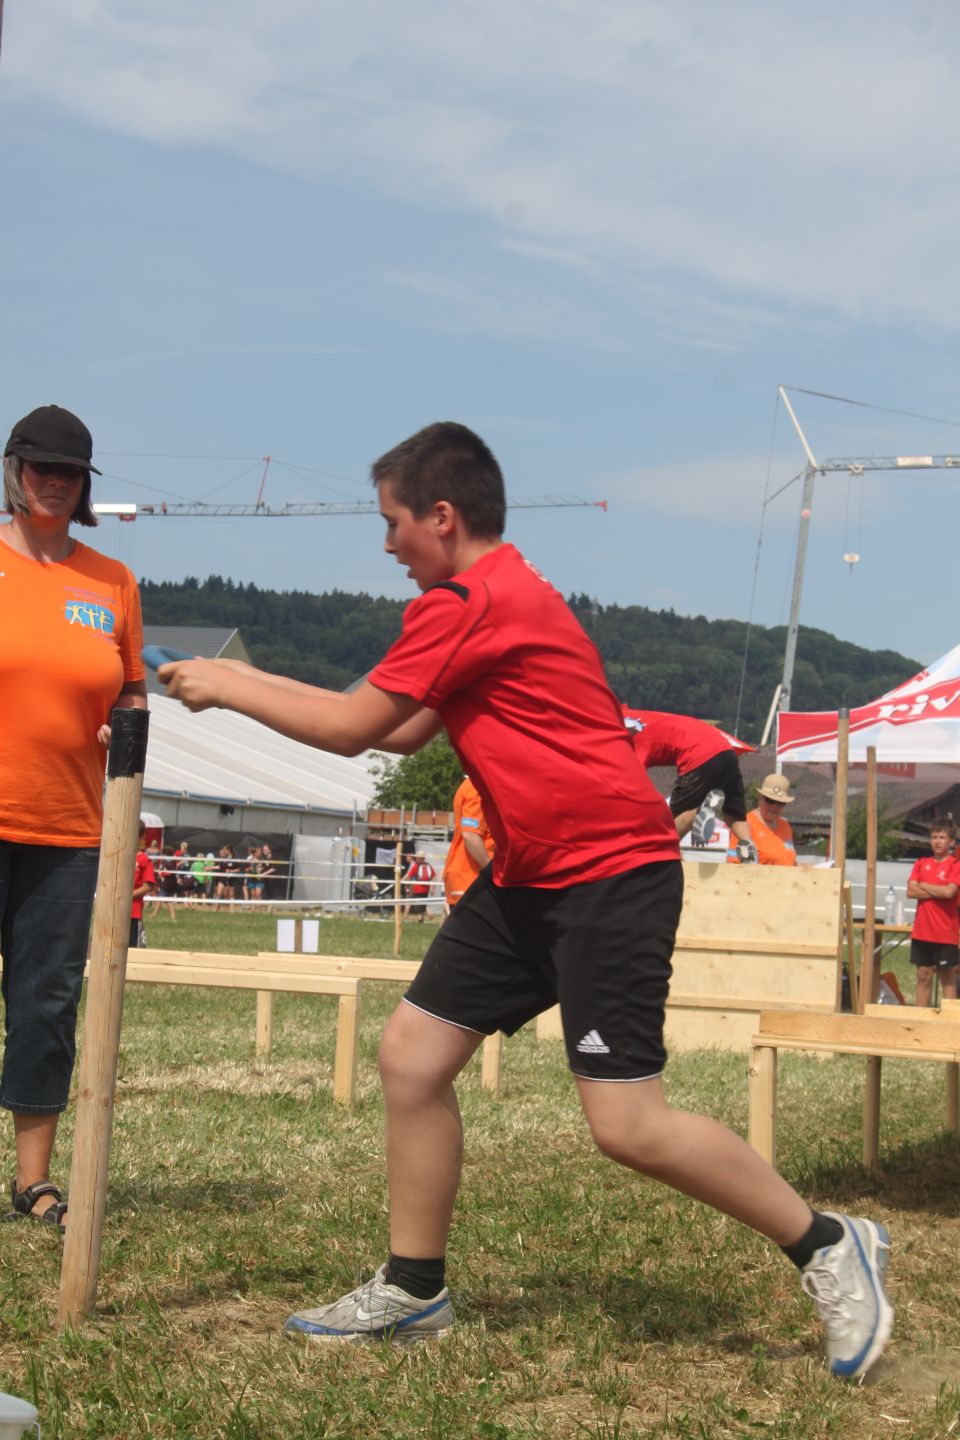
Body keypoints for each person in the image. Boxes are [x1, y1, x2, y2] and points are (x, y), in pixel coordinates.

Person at [159, 421, 892, 1379]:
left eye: (392, 523)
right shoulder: (495, 597)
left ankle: (830, 1243)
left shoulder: (471, 600)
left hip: (610, 878)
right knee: (412, 1057)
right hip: (528, 879)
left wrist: (228, 682)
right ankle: (415, 1287)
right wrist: (243, 677)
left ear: (441, 516)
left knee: (628, 1126)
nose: (387, 546)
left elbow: (349, 728)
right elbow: (403, 730)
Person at [0, 404, 147, 1231]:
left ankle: (34, 1182)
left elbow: (132, 690)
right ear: (13, 470)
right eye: (40, 467)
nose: (54, 481)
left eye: (70, 472)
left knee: (47, 1005)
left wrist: (123, 727)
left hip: (69, 831)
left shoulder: (112, 581)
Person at [623, 709, 757, 861]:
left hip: (699, 755)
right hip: (727, 752)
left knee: (676, 816)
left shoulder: (638, 744)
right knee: (734, 813)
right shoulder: (658, 727)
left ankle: (669, 852)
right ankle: (748, 847)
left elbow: (635, 783)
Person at [906, 820, 960, 1007]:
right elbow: (910, 891)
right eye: (934, 837)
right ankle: (921, 1018)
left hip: (945, 932)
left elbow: (949, 892)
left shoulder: (955, 865)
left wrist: (923, 885)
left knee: (947, 975)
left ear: (951, 842)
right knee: (923, 974)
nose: (937, 841)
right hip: (922, 931)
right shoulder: (921, 863)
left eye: (942, 837)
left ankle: (948, 1018)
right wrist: (938, 890)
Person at [443, 776, 494, 909]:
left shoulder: (474, 784)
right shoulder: (478, 788)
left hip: (470, 878)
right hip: (472, 878)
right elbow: (470, 835)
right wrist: (493, 872)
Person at [736, 774, 805, 867]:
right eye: (770, 800)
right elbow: (734, 865)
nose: (774, 806)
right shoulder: (744, 824)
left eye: (780, 803)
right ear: (760, 798)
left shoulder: (785, 825)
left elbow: (785, 860)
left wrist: (797, 865)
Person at [130, 820, 157, 949]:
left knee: (134, 949)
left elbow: (148, 886)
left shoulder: (144, 860)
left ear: (141, 837)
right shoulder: (117, 857)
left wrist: (127, 896)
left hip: (133, 913)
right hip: (112, 912)